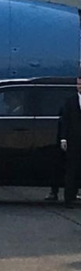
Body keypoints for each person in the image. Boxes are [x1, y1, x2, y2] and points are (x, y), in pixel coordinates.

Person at [58, 74, 81, 208]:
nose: (79, 87)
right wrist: (63, 138)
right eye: (78, 84)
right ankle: (69, 198)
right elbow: (65, 121)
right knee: (71, 170)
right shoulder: (70, 101)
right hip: (74, 141)